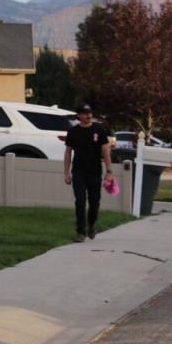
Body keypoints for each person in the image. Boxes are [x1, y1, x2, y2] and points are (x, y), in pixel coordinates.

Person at [63, 104, 112, 242]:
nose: (88, 115)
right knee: (80, 201)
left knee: (94, 202)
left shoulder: (99, 129)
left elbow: (106, 152)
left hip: (95, 171)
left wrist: (109, 172)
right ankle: (80, 232)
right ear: (78, 115)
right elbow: (68, 153)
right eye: (85, 113)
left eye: (90, 112)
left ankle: (91, 225)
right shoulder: (73, 131)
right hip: (78, 171)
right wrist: (66, 173)